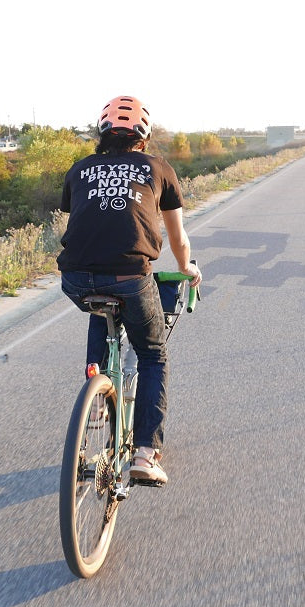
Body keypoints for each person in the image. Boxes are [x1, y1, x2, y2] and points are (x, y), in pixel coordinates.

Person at [58, 95, 201, 486]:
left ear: (102, 133)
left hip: (75, 278)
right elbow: (178, 237)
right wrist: (186, 267)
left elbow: (86, 220)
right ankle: (145, 454)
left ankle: (97, 398)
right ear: (144, 137)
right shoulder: (158, 168)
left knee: (100, 307)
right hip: (130, 278)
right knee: (153, 354)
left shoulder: (80, 169)